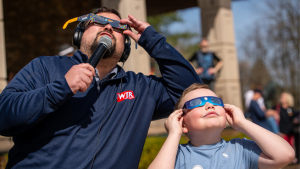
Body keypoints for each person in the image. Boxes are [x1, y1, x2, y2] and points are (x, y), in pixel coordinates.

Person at [0, 7, 201, 169]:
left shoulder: (141, 87)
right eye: (98, 22)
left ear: (127, 46)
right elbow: (4, 117)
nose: (108, 28)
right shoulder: (44, 67)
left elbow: (190, 89)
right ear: (79, 34)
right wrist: (60, 88)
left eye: (117, 27)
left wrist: (153, 41)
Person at [148, 83, 295, 169]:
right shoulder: (177, 155)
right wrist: (174, 134)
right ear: (182, 122)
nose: (209, 105)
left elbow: (285, 155)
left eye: (215, 101)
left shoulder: (241, 149)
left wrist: (242, 124)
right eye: (196, 103)